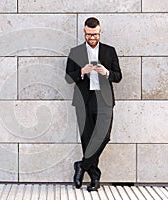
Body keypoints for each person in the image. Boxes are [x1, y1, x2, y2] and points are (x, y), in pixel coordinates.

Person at [65, 17, 122, 191]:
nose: (92, 38)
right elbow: (68, 78)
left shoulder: (110, 51)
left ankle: (82, 166)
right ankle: (94, 179)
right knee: (87, 140)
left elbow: (118, 76)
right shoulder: (75, 52)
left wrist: (106, 72)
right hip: (83, 101)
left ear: (100, 32)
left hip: (104, 100)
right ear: (84, 32)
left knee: (103, 137)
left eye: (95, 34)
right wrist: (82, 71)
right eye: (89, 34)